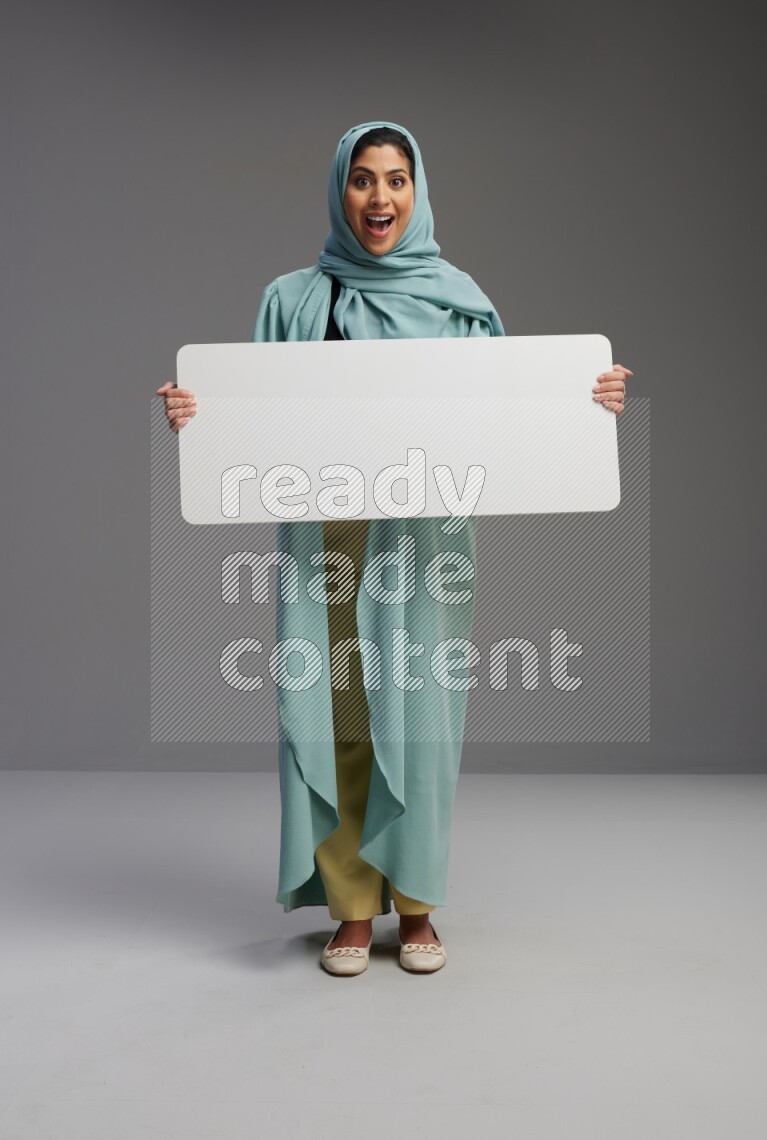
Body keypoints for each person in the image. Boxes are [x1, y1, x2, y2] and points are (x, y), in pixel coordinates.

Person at [157, 120, 631, 977]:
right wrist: (200, 415)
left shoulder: (458, 303)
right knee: (336, 715)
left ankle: (416, 908)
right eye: (363, 179)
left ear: (417, 192)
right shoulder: (292, 301)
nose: (380, 197)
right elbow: (252, 421)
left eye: (396, 179)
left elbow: (510, 419)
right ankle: (350, 911)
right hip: (325, 542)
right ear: (340, 190)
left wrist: (585, 401)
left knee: (419, 723)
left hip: (424, 542)